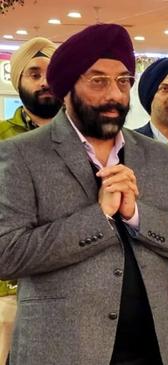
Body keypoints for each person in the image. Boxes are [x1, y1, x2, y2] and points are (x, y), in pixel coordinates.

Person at [0, 24, 168, 365]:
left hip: (152, 350)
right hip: (61, 353)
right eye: (98, 80)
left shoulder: (158, 156)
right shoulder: (23, 155)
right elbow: (6, 255)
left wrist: (137, 216)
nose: (114, 94)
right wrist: (97, 217)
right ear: (67, 87)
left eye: (123, 81)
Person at [0, 36, 60, 365]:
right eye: (33, 74)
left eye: (51, 72)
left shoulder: (85, 136)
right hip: (8, 290)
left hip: (68, 288)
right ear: (19, 80)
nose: (44, 81)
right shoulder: (1, 138)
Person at [0, 37, 61, 140]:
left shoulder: (85, 131)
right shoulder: (2, 135)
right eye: (35, 75)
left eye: (52, 75)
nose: (45, 83)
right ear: (18, 82)